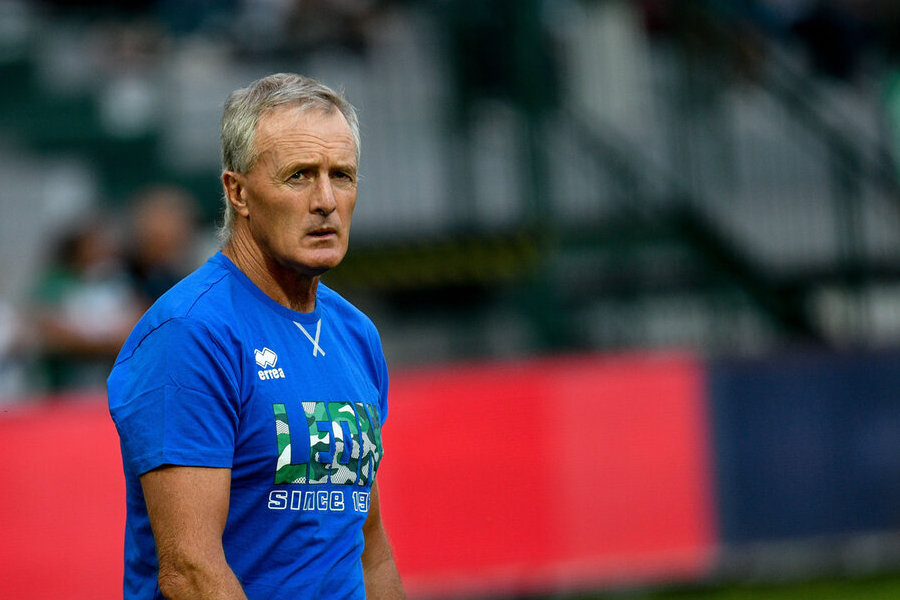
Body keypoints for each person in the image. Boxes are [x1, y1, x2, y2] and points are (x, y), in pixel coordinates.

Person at [107, 73, 405, 599]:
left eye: (341, 175)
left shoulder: (356, 332)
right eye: (298, 176)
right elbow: (191, 572)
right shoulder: (191, 334)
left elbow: (368, 547)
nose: (326, 200)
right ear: (237, 192)